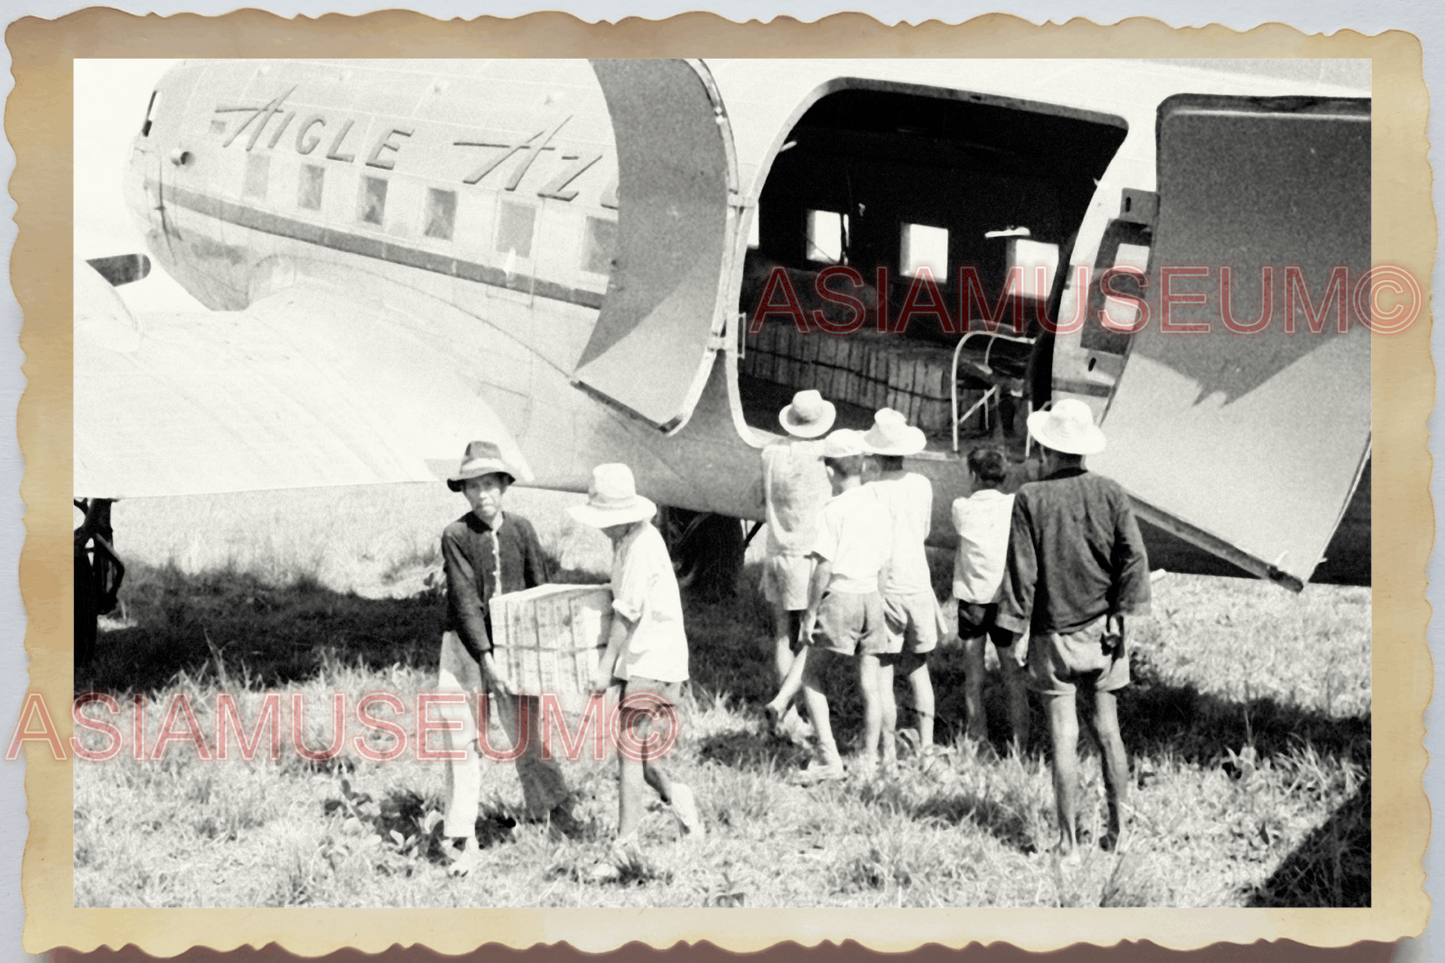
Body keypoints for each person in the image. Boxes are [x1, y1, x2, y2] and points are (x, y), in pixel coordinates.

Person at [996, 400, 1151, 862]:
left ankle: (1068, 846)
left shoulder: (1031, 498)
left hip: (1053, 637)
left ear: (1047, 447)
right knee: (1109, 733)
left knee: (1063, 737)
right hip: (1104, 633)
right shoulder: (1111, 493)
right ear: (1084, 450)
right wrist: (1120, 616)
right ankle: (1120, 836)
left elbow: (1022, 575)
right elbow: (1134, 560)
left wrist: (1009, 632)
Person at [437, 440, 580, 876]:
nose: (482, 495)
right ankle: (462, 836)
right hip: (466, 648)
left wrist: (548, 648)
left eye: (490, 485)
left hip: (517, 647)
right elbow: (464, 602)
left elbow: (540, 589)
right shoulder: (457, 536)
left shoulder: (522, 529)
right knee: (462, 738)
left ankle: (553, 812)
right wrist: (486, 658)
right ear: (463, 491)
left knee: (528, 731)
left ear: (503, 486)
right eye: (473, 486)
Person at [573, 463, 703, 877]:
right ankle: (679, 798)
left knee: (628, 755)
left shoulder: (639, 546)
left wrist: (605, 667)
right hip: (658, 660)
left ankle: (624, 848)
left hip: (650, 661)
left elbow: (626, 614)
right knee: (642, 752)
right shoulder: (636, 539)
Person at [765, 429, 891, 783]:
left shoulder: (833, 510)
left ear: (831, 472)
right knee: (871, 681)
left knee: (809, 674)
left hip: (841, 597)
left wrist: (809, 612)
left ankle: (828, 757)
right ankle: (870, 759)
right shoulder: (878, 505)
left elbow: (822, 569)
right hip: (871, 596)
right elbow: (884, 562)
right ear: (862, 466)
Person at [862, 408, 940, 771]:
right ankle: (926, 749)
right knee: (919, 669)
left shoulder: (872, 491)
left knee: (885, 673)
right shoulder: (921, 484)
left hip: (886, 587)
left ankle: (889, 754)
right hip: (919, 584)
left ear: (877, 454)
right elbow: (923, 531)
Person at [758, 389, 834, 739]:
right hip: (807, 556)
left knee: (782, 635)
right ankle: (788, 702)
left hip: (776, 551)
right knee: (810, 637)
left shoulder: (770, 453)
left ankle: (787, 716)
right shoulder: (822, 455)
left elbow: (758, 495)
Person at [952, 445, 1028, 751]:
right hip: (1007, 599)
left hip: (972, 600)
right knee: (1014, 676)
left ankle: (978, 736)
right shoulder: (1014, 505)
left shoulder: (961, 507)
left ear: (972, 475)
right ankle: (1020, 744)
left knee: (973, 674)